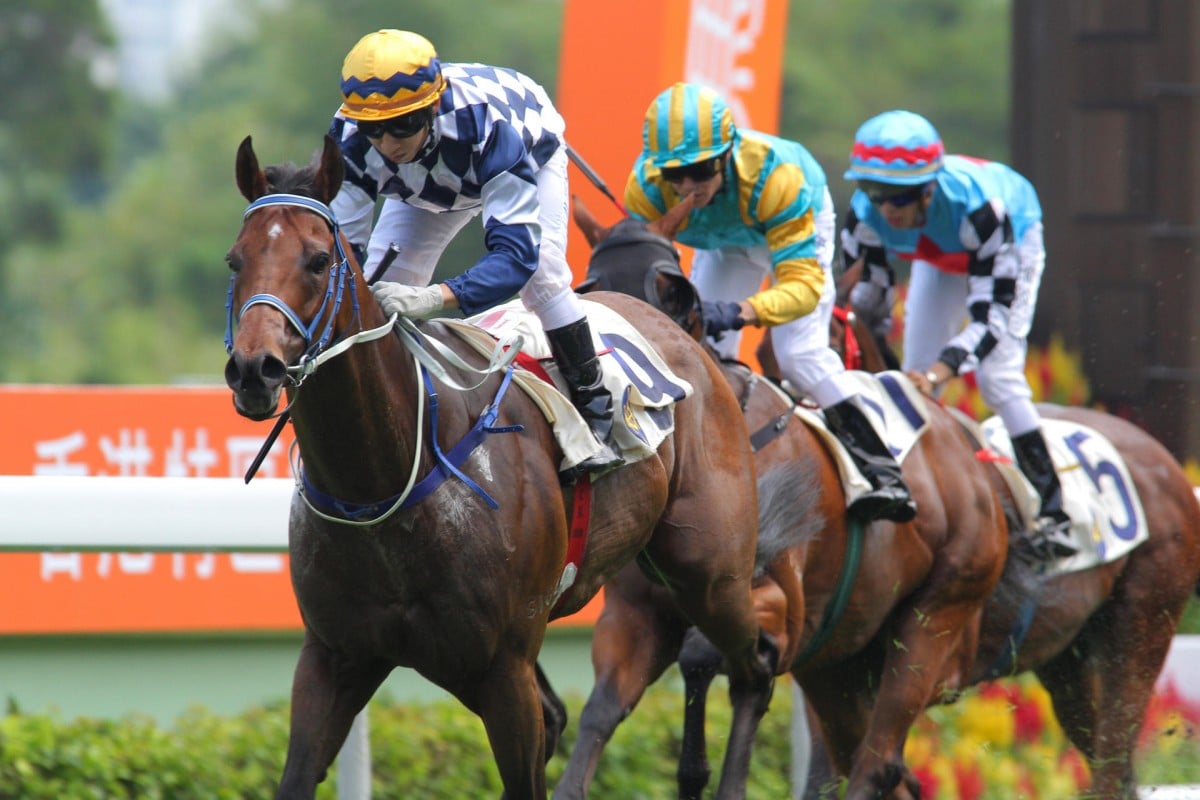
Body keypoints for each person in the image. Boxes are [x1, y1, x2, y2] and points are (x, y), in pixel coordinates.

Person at [328, 29, 620, 480]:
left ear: (430, 108)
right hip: (424, 186)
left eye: (402, 125)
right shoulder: (348, 137)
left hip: (521, 151)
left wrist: (435, 299)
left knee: (541, 277)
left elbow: (515, 258)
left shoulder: (487, 126)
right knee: (381, 288)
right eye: (374, 130)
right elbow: (342, 258)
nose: (388, 144)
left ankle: (596, 414)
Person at [624, 82, 915, 524]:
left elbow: (802, 288)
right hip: (727, 243)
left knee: (799, 354)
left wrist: (740, 311)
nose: (687, 187)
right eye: (673, 175)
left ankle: (883, 471)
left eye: (700, 170)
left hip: (791, 226)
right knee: (698, 357)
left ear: (726, 154)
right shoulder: (644, 189)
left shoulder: (778, 179)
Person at [841, 109, 1076, 561]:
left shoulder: (985, 211)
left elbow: (991, 320)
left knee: (997, 376)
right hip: (939, 251)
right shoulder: (864, 214)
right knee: (913, 373)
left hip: (1010, 235)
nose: (886, 209)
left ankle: (1053, 513)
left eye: (898, 197)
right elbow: (868, 312)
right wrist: (899, 372)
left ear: (928, 189)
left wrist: (939, 372)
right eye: (873, 192)